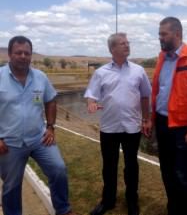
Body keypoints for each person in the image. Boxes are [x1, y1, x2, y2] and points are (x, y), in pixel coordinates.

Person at [0, 36, 75, 215]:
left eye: (27, 53)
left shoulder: (40, 77)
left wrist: (50, 127)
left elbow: (50, 101)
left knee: (59, 170)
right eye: (18, 52)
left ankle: (63, 209)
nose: (23, 56)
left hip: (39, 138)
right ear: (10, 54)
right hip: (9, 143)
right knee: (11, 185)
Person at [84, 32, 151, 215]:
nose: (127, 45)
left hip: (132, 127)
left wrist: (147, 119)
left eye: (128, 42)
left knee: (131, 166)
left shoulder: (138, 71)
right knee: (109, 166)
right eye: (122, 43)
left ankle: (132, 202)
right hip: (109, 128)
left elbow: (145, 96)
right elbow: (91, 94)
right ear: (112, 49)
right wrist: (91, 103)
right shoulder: (101, 73)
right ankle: (108, 201)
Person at [151, 17, 187, 215]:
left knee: (182, 175)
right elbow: (158, 92)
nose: (160, 38)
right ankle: (173, 210)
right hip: (162, 122)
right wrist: (152, 120)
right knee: (166, 172)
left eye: (163, 34)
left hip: (184, 127)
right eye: (160, 34)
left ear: (177, 34)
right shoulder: (162, 58)